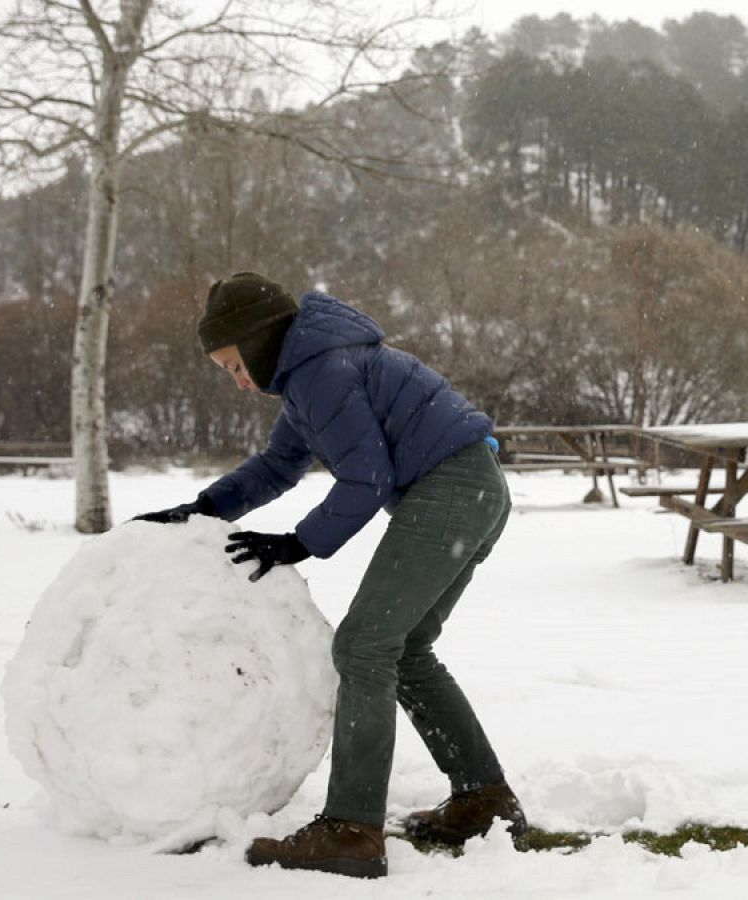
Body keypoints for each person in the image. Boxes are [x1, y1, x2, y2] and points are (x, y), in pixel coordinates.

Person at [135, 272, 526, 879]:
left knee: (363, 646)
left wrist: (300, 543)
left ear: (259, 341)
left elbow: (367, 478)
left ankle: (351, 829)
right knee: (404, 649)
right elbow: (278, 465)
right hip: (474, 489)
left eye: (235, 365)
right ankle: (483, 799)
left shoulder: (324, 371)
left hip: (453, 489)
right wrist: (205, 508)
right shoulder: (313, 373)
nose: (239, 381)